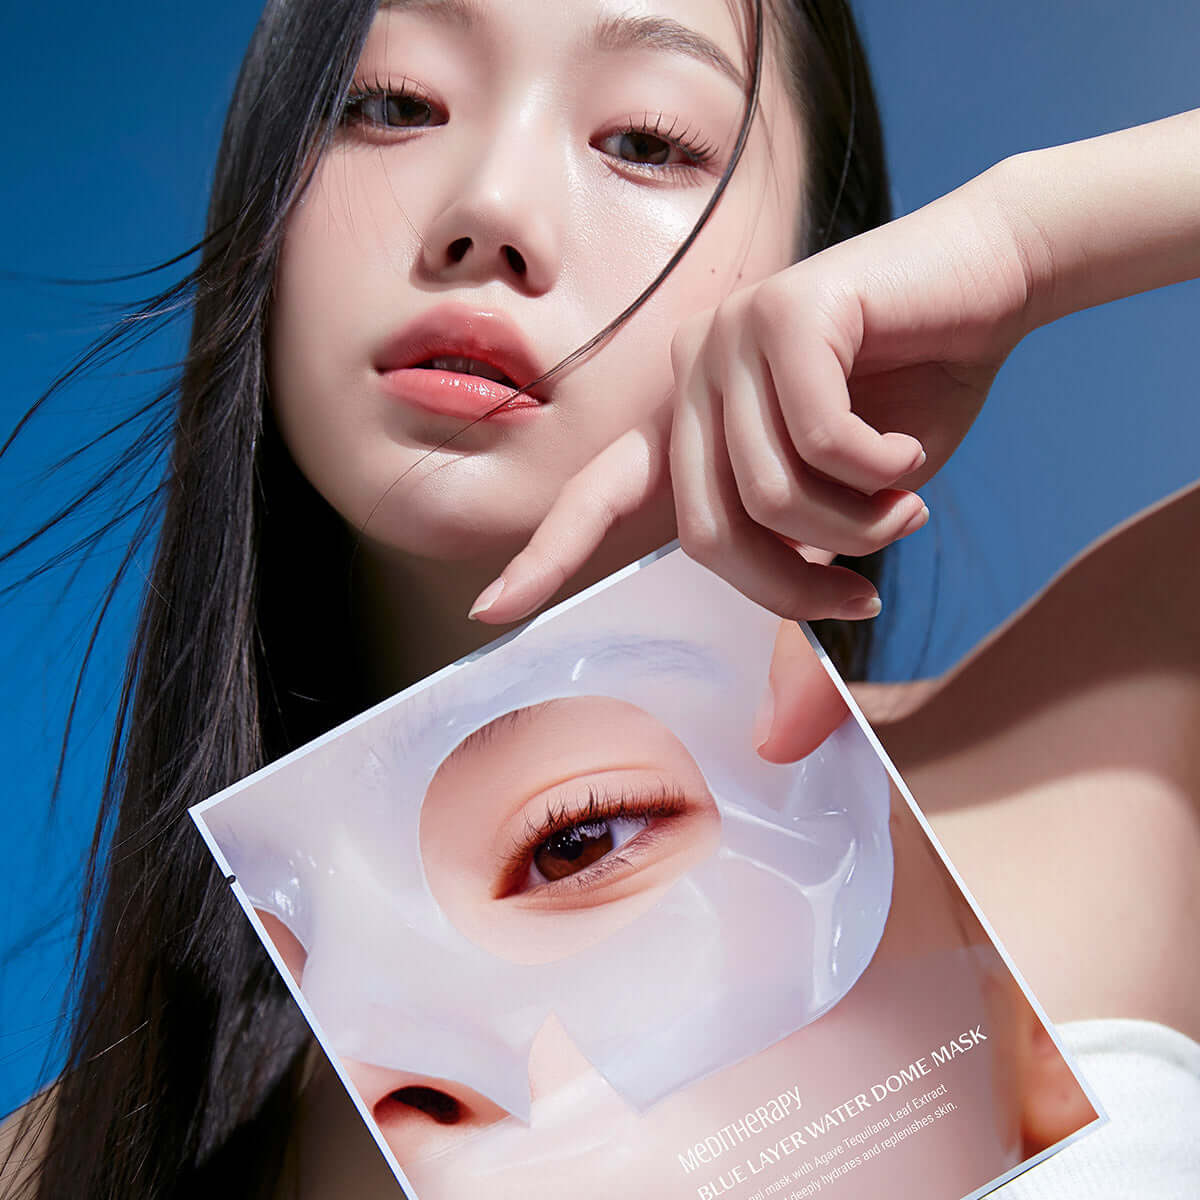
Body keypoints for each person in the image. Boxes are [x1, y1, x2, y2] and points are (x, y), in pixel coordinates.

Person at [0, 0, 1197, 1196]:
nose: (491, 211)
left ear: (820, 253)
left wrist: (1032, 241)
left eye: (645, 140)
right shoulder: (83, 1159)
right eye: (392, 105)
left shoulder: (1130, 748)